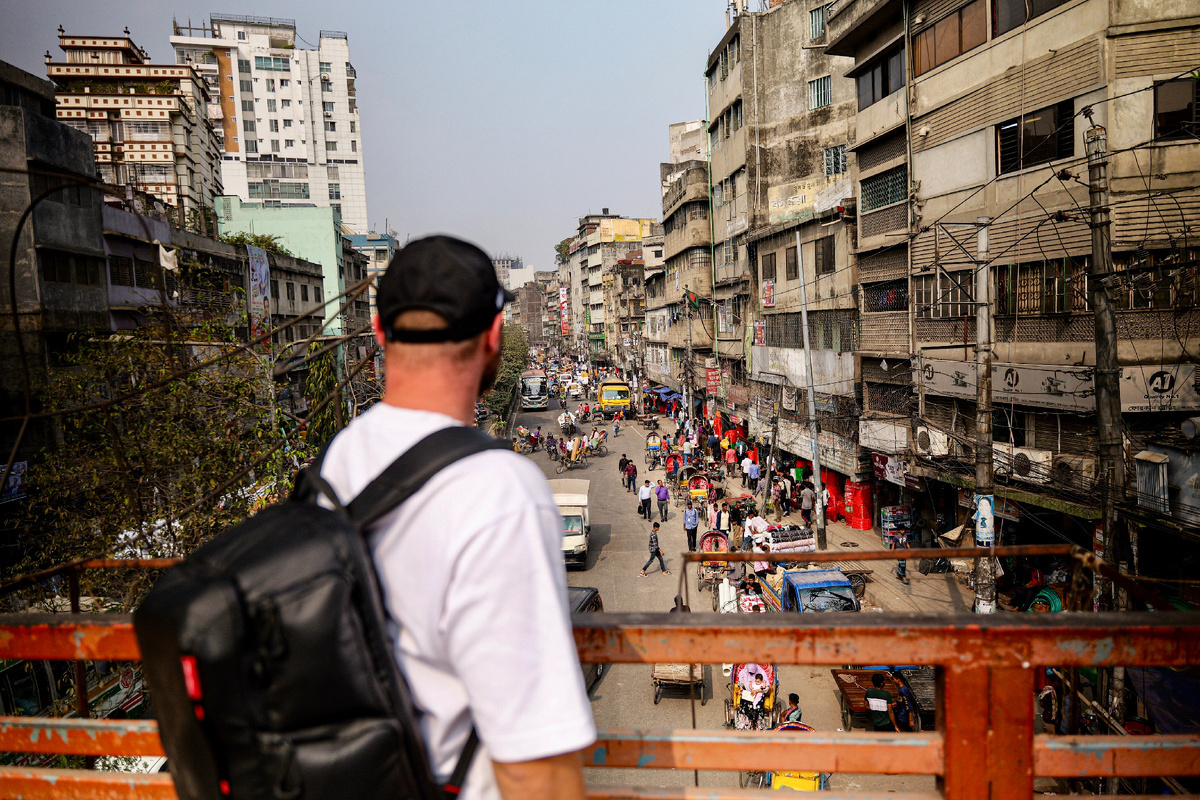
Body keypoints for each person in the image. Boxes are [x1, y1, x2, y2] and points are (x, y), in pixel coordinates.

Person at [319, 236, 594, 800]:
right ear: (493, 336)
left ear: (379, 334)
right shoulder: (501, 488)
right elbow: (535, 762)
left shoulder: (337, 460)